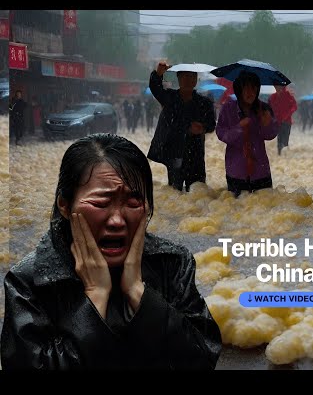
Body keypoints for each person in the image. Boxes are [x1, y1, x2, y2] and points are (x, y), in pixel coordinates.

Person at [0, 133, 222, 370]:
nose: (117, 220)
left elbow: (203, 358)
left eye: (133, 202)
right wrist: (95, 299)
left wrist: (140, 294)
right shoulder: (29, 281)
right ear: (64, 205)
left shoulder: (172, 263)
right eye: (100, 203)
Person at [147, 62, 217, 192]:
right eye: (185, 76)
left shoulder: (204, 103)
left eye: (192, 77)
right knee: (174, 191)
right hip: (174, 152)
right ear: (178, 79)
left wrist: (202, 128)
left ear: (196, 79)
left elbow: (212, 125)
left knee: (198, 191)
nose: (188, 80)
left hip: (196, 153)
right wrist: (157, 74)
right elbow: (155, 88)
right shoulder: (170, 98)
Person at [216, 71, 279, 197]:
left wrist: (268, 124)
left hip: (260, 171)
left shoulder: (264, 108)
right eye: (246, 87)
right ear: (239, 89)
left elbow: (270, 135)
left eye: (254, 88)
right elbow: (221, 134)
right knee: (239, 211)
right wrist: (239, 128)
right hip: (236, 171)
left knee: (264, 209)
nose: (250, 92)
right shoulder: (228, 108)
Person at [269, 84, 297, 155]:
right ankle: (279, 152)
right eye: (275, 87)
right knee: (279, 137)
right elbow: (269, 108)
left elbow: (294, 107)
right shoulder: (273, 97)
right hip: (278, 121)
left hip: (287, 121)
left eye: (278, 87)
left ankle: (284, 151)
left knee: (285, 137)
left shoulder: (289, 96)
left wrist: (287, 114)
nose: (277, 88)